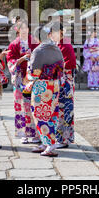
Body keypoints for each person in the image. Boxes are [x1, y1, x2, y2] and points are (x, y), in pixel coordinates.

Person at [22, 28, 64, 157]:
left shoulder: (38, 50)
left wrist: (28, 80)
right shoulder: (57, 49)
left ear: (37, 38)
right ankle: (46, 143)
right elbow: (62, 67)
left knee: (40, 115)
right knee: (52, 114)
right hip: (55, 85)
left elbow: (33, 72)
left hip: (42, 86)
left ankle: (50, 145)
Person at [6, 20, 40, 144]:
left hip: (32, 77)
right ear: (17, 30)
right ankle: (23, 134)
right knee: (21, 105)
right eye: (22, 28)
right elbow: (10, 61)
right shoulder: (14, 44)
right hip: (20, 77)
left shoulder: (35, 41)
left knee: (34, 105)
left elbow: (41, 55)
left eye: (26, 27)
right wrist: (21, 59)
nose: (25, 30)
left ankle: (36, 133)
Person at [48, 22, 77, 150]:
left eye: (55, 32)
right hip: (60, 81)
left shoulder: (65, 45)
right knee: (60, 111)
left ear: (60, 32)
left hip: (65, 82)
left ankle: (63, 139)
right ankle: (62, 138)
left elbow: (68, 63)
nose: (53, 35)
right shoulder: (58, 45)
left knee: (64, 111)